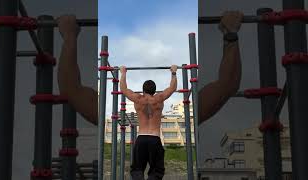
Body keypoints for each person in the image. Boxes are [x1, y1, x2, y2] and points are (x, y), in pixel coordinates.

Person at [57, 10, 243, 179]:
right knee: (156, 170)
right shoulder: (162, 101)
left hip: (141, 138)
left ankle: (140, 173)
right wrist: (230, 35)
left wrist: (70, 37)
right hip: (154, 138)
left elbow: (70, 88)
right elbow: (227, 85)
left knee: (137, 168)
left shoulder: (132, 102)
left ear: (142, 89)